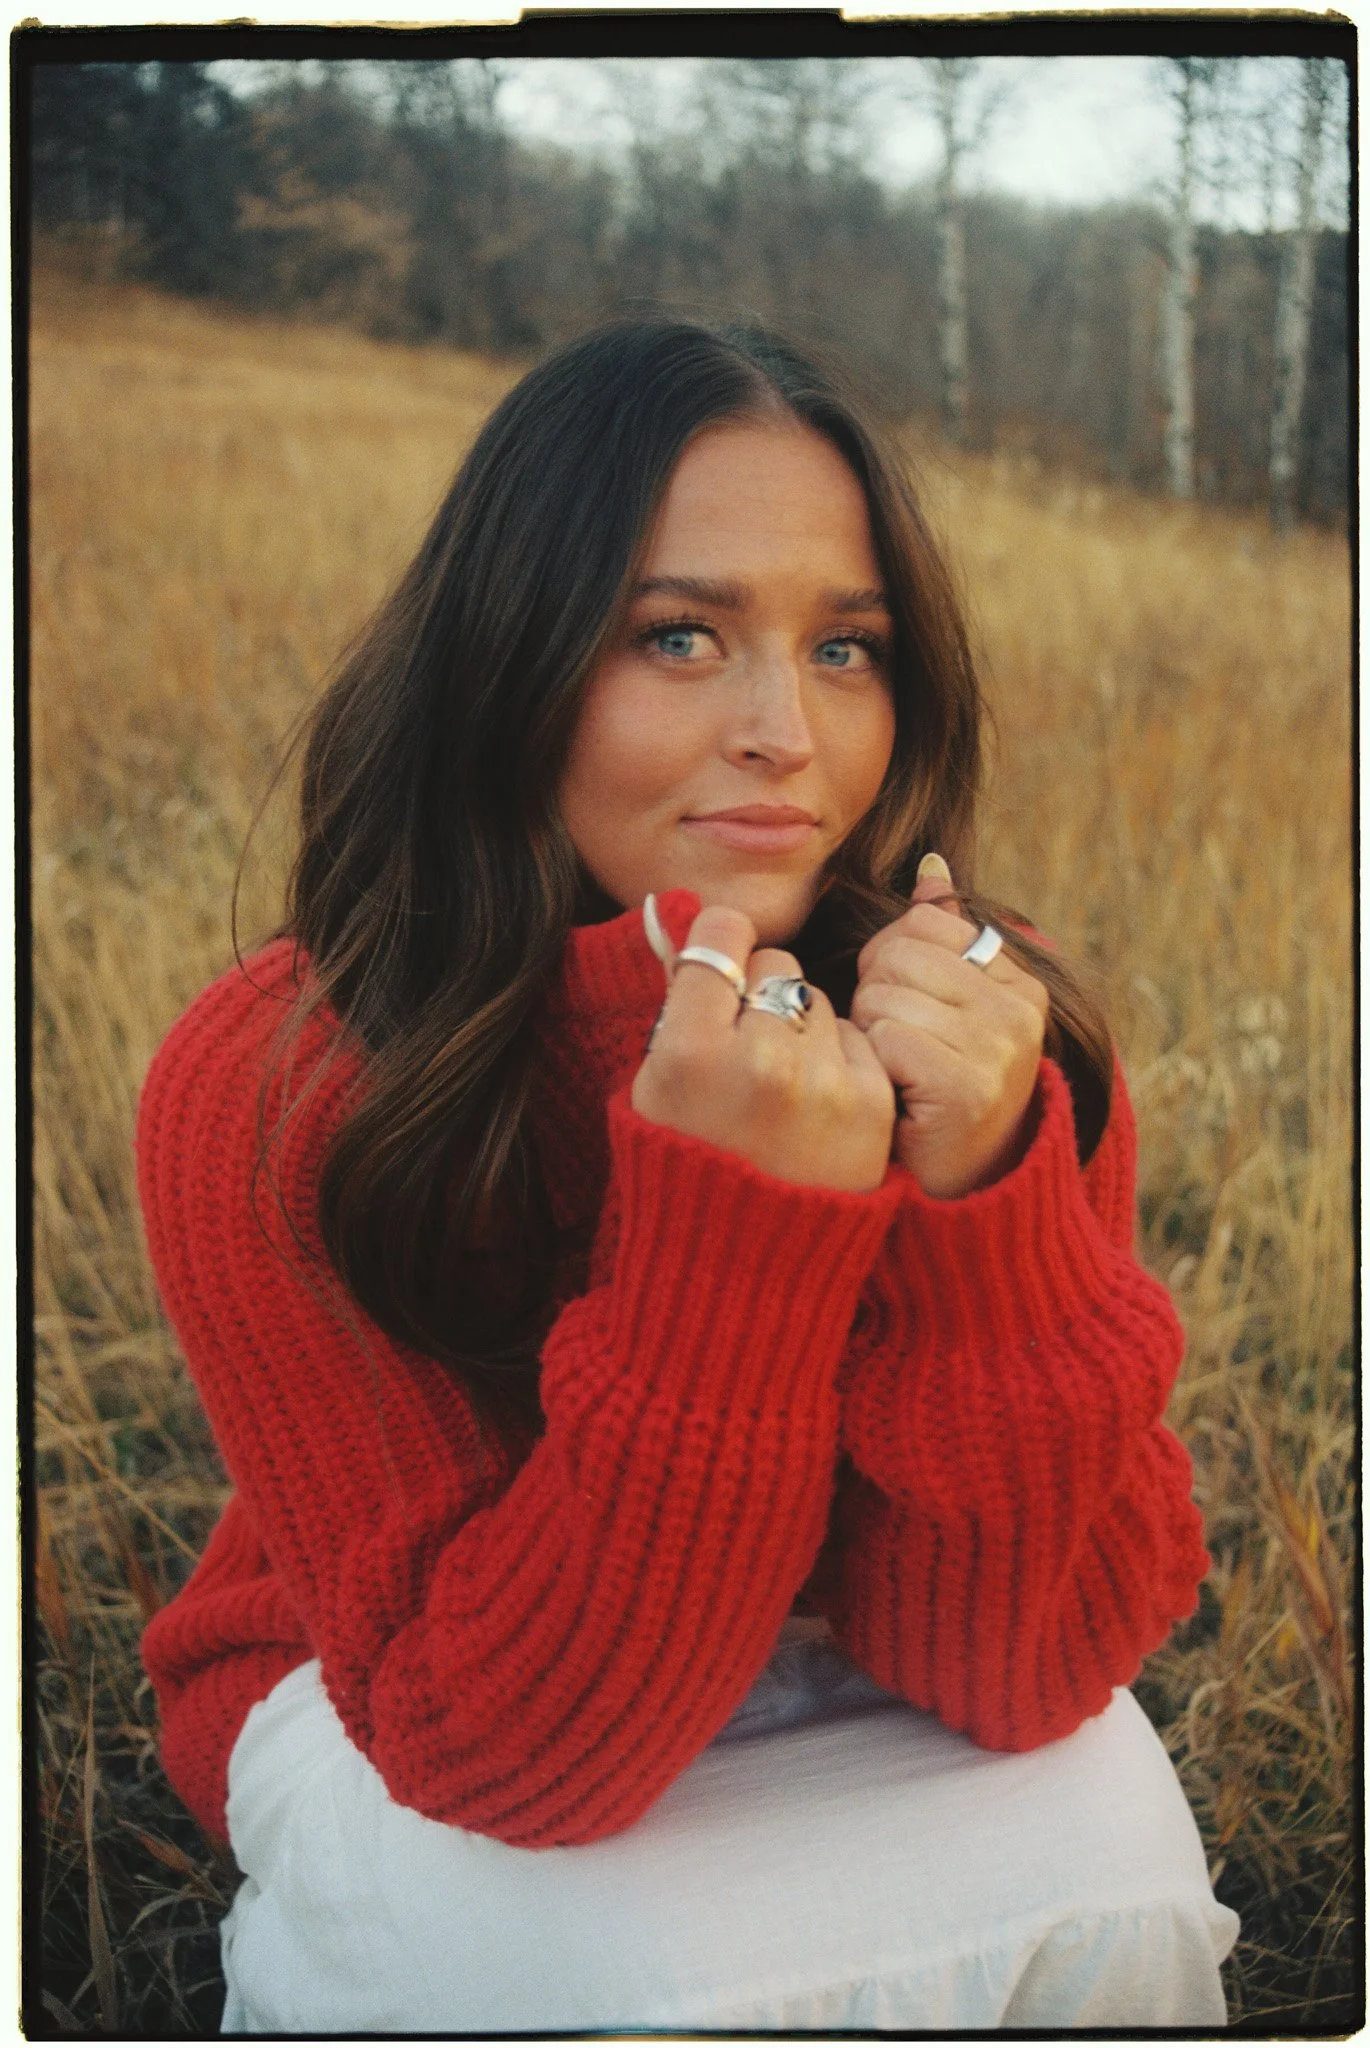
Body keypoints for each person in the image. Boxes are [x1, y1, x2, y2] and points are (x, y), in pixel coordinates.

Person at [137, 320, 1239, 2033]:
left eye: (848, 648)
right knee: (600, 1977)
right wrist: (736, 1242)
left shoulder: (983, 1030)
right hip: (420, 1685)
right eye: (677, 634)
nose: (784, 733)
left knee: (1128, 1899)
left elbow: (1023, 1675)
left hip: (853, 1643)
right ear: (505, 659)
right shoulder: (288, 1078)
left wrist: (984, 1214)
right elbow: (505, 1754)